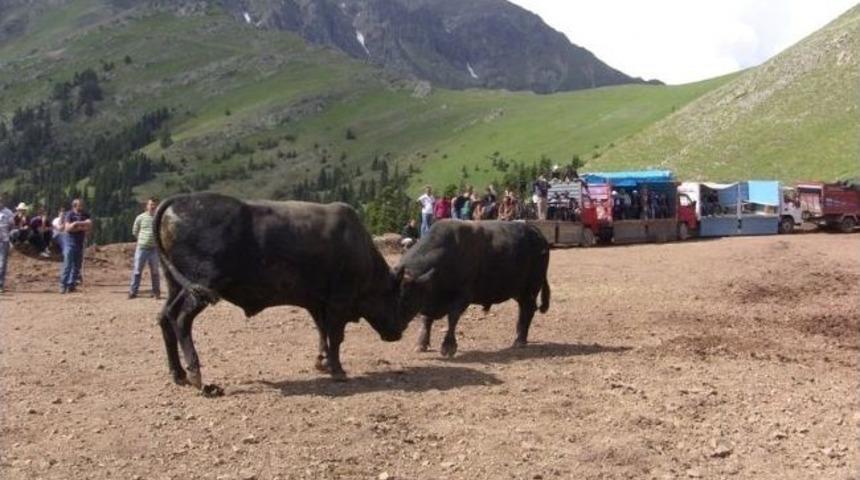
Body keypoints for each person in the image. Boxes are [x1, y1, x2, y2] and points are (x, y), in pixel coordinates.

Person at [128, 197, 161, 299]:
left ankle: (156, 292)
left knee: (155, 271)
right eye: (151, 204)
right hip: (142, 248)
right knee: (137, 270)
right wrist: (141, 240)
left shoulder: (159, 218)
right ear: (147, 206)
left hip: (154, 249)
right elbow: (135, 231)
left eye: (154, 204)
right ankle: (133, 292)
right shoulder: (140, 217)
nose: (152, 206)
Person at [60, 198, 92, 294]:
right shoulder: (69, 214)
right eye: (80, 205)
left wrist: (76, 224)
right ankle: (63, 285)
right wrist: (80, 226)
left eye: (82, 205)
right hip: (69, 242)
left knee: (77, 265)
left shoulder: (85, 214)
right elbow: (68, 228)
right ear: (75, 206)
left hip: (80, 242)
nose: (82, 207)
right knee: (68, 264)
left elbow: (89, 225)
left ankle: (71, 284)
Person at [0, 195, 14, 294]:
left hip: (4, 240)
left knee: (2, 263)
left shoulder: (8, 212)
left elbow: (11, 226)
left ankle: (0, 284)